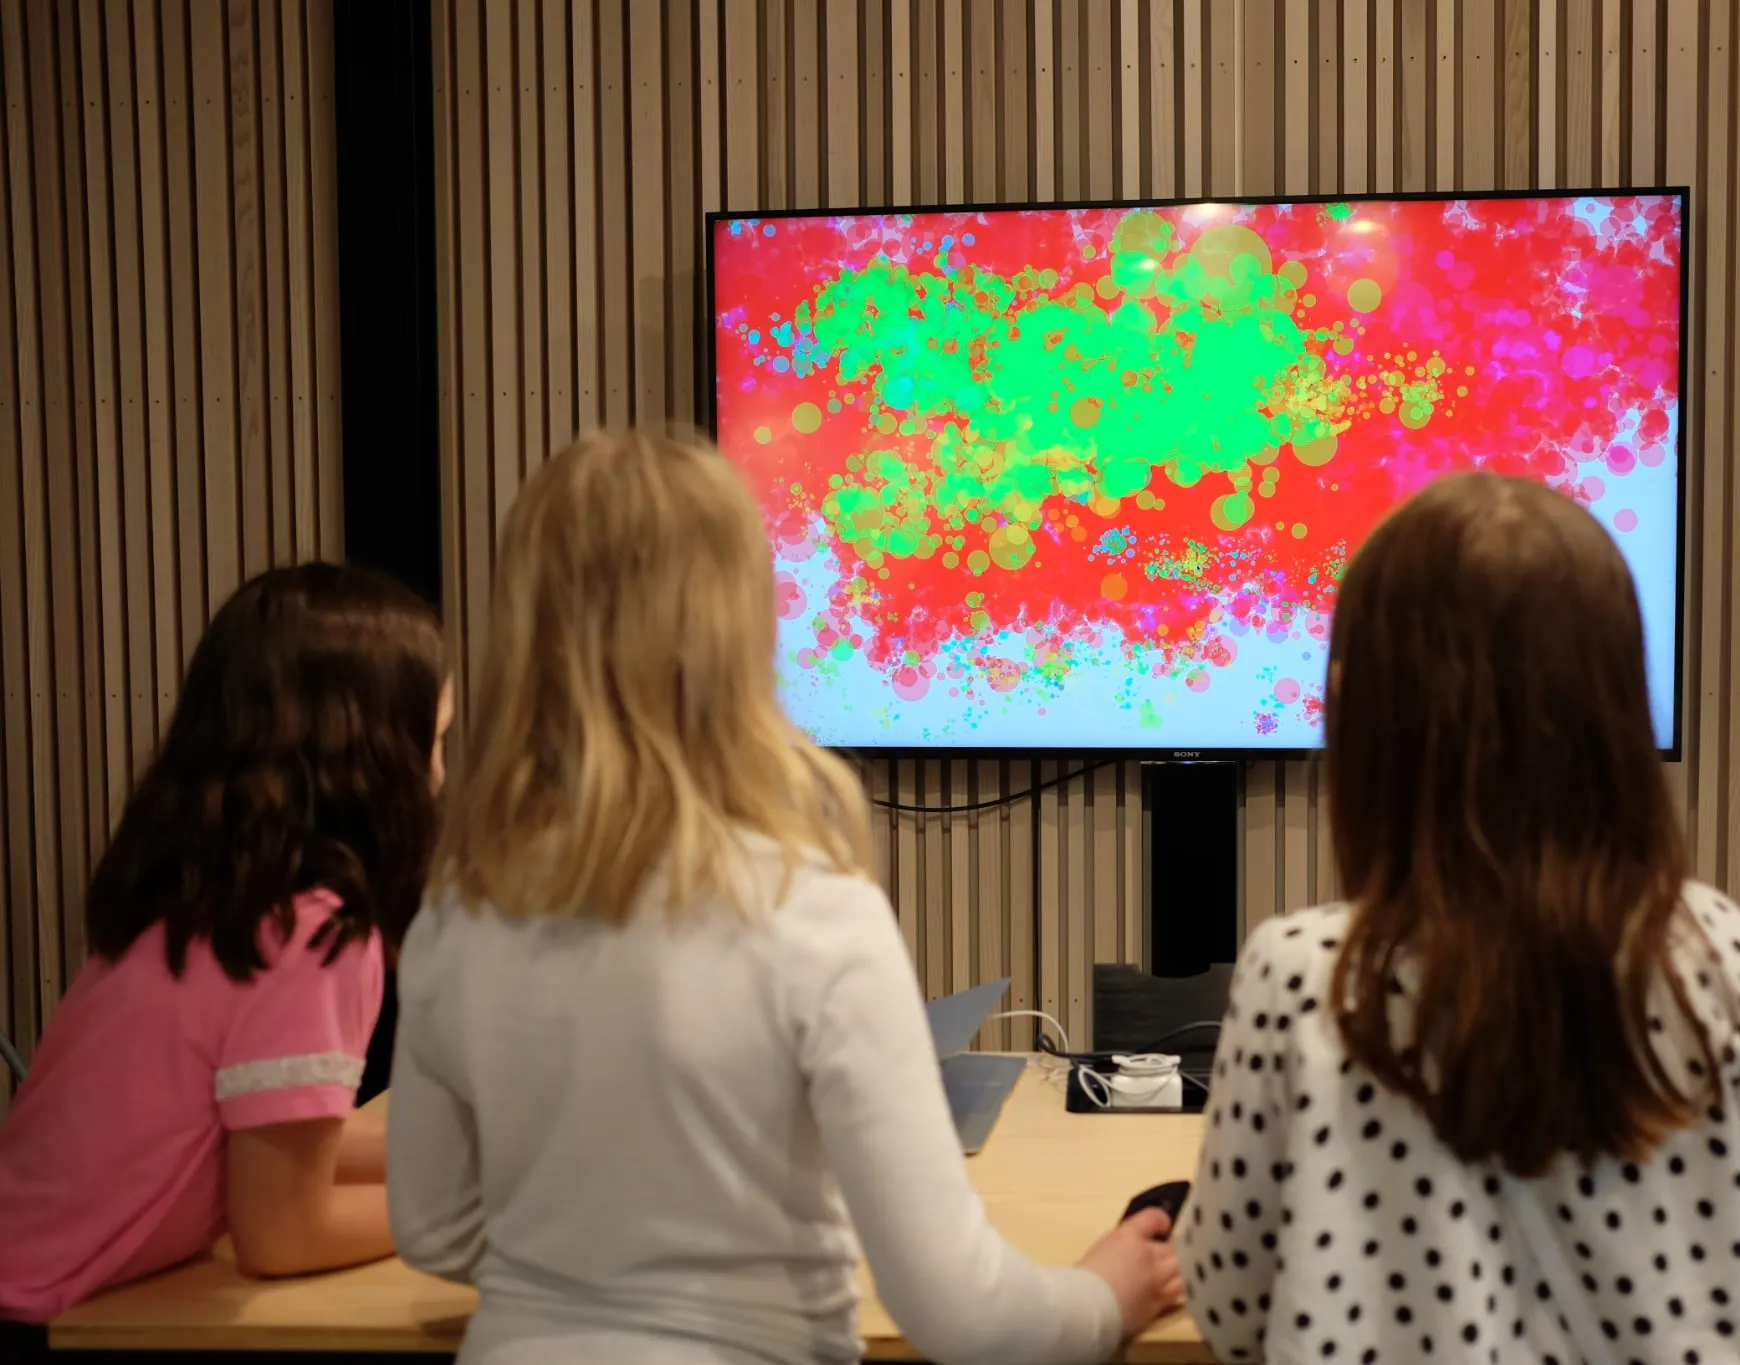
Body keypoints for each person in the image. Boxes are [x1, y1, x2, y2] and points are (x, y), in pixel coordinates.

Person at [387, 429, 1181, 1365]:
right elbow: (966, 1317)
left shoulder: (459, 911)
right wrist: (1105, 1293)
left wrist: (590, 1270)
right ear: (738, 626)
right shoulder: (809, 910)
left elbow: (433, 1228)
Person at [1178, 474, 1740, 1364]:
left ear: (1359, 711)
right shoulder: (1707, 951)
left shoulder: (1299, 975)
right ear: (1611, 711)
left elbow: (1227, 1313)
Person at [0, 563, 452, 1329]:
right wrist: (478, 1211)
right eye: (435, 743)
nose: (441, 777)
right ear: (376, 759)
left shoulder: (209, 892)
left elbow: (283, 1139)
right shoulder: (314, 929)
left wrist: (475, 1159)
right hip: (44, 1321)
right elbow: (281, 1231)